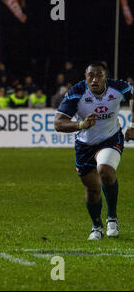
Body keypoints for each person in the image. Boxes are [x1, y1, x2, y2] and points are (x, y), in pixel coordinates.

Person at [54, 61, 134, 240]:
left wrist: (132, 125)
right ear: (85, 76)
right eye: (91, 75)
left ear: (106, 77)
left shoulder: (118, 87)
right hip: (84, 146)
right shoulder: (76, 92)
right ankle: (96, 226)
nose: (94, 79)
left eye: (99, 75)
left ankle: (112, 218)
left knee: (105, 171)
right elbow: (58, 123)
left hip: (110, 139)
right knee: (92, 190)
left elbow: (132, 95)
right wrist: (81, 124)